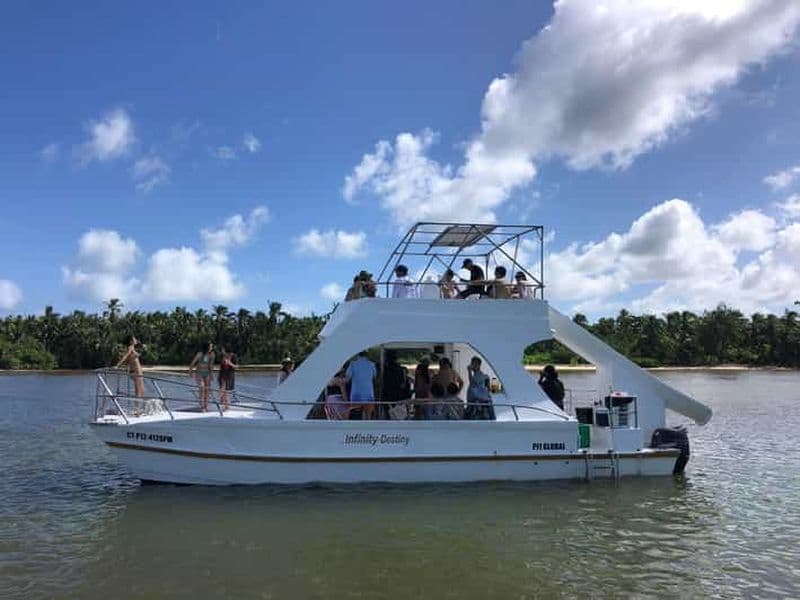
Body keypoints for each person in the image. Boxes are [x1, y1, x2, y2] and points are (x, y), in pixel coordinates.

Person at [346, 351, 377, 420]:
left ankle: (356, 430)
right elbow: (374, 376)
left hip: (356, 394)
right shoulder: (372, 364)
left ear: (358, 355)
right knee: (368, 416)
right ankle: (368, 430)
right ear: (367, 356)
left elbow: (348, 377)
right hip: (369, 394)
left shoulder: (353, 364)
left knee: (356, 416)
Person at [190, 342, 215, 411]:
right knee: (202, 388)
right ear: (207, 347)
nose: (211, 348)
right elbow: (192, 363)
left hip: (207, 373)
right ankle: (202, 406)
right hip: (199, 373)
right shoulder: (200, 354)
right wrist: (190, 372)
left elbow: (211, 366)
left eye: (212, 347)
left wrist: (212, 375)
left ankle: (206, 406)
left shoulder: (212, 355)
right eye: (210, 347)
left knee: (207, 390)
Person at [218, 344, 237, 411]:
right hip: (222, 374)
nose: (221, 350)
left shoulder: (233, 356)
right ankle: (223, 404)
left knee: (226, 391)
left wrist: (229, 363)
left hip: (229, 374)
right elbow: (221, 366)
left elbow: (236, 366)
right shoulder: (223, 356)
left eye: (222, 349)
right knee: (222, 390)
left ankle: (226, 406)